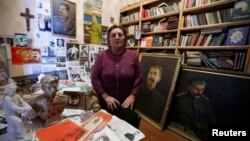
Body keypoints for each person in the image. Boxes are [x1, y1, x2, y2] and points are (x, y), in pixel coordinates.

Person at [91, 24, 143, 128]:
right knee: (107, 129)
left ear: (125, 38)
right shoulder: (101, 56)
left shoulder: (133, 55)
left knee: (125, 129)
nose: (117, 37)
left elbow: (139, 77)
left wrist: (132, 95)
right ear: (109, 40)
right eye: (113, 35)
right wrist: (105, 96)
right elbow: (94, 77)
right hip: (106, 103)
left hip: (127, 103)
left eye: (120, 34)